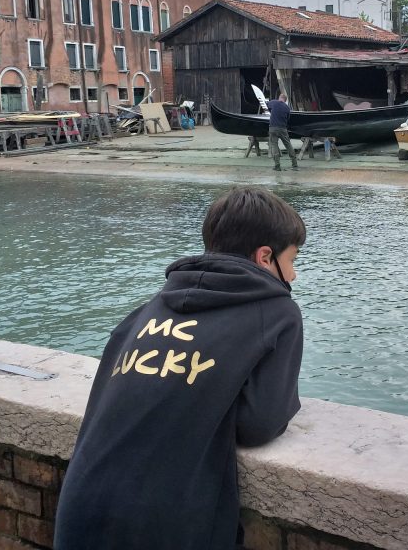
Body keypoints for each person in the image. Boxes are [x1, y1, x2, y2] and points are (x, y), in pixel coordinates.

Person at [53, 187, 305, 550]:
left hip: (80, 508)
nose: (293, 275)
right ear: (265, 257)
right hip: (166, 522)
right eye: (292, 260)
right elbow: (260, 426)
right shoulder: (279, 312)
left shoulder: (147, 309)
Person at [266, 92, 298, 171]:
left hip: (273, 128)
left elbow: (266, 105)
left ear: (279, 98)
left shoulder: (274, 102)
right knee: (288, 145)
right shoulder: (287, 108)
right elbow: (288, 119)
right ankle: (294, 164)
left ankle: (277, 166)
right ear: (285, 100)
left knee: (274, 146)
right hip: (283, 128)